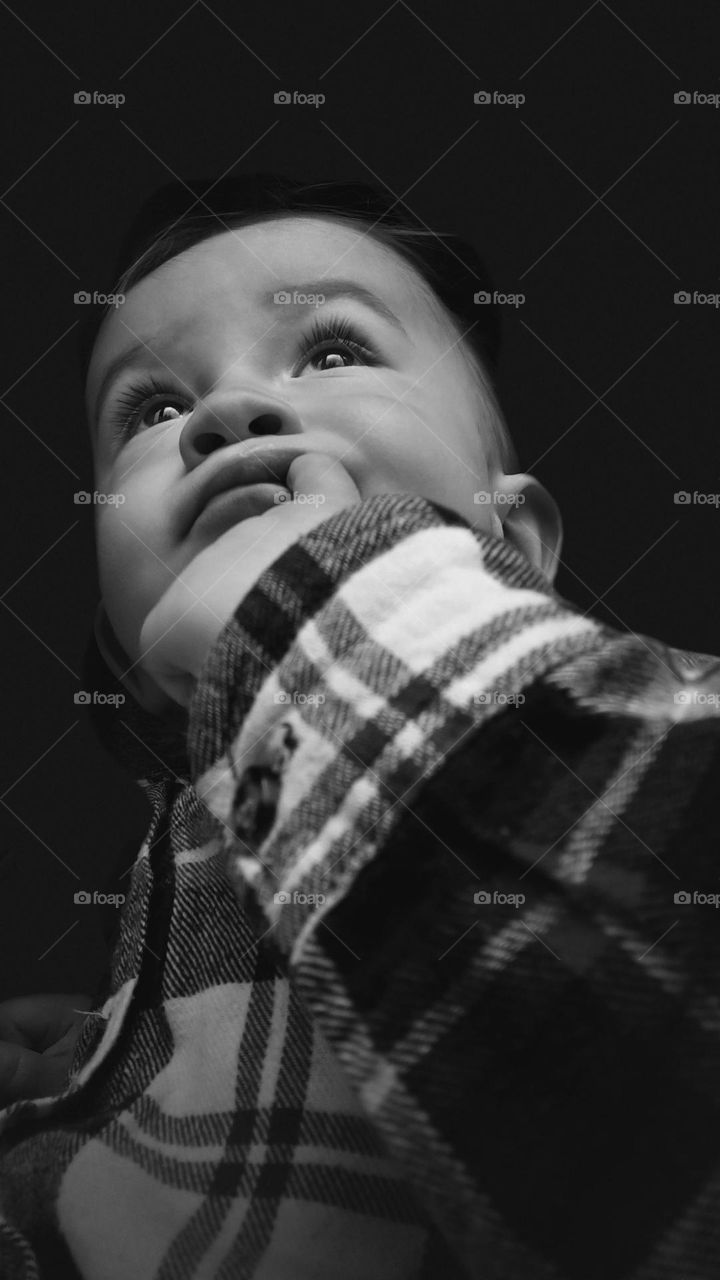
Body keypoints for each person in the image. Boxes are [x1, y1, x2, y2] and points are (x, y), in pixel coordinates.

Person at [1, 171, 719, 1280]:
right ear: (127, 649)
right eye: (151, 408)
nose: (228, 414)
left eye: (333, 351)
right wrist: (88, 1090)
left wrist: (322, 601)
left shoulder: (667, 718)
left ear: (512, 537)